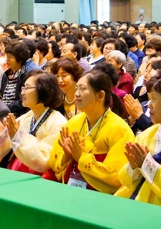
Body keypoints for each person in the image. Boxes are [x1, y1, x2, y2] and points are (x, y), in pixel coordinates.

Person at [49, 70, 135, 193]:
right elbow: (53, 161)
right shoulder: (74, 122)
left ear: (100, 95)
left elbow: (117, 177)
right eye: (77, 88)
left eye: (83, 89)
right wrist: (66, 156)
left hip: (100, 197)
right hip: (68, 189)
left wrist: (81, 157)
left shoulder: (119, 129)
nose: (77, 94)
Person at [0, 70, 66, 175]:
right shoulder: (25, 118)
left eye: (27, 88)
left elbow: (44, 162)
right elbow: (3, 157)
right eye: (23, 87)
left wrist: (19, 136)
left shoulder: (58, 123)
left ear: (43, 90)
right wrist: (3, 137)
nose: (22, 92)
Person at [116, 76, 161, 205]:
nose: (149, 105)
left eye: (154, 99)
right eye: (149, 98)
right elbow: (124, 179)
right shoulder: (147, 134)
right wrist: (134, 166)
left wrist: (145, 164)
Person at [0, 40, 31, 117]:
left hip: (19, 116)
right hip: (4, 114)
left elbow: (23, 100)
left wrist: (5, 107)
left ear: (20, 59)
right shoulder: (6, 74)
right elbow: (2, 94)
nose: (7, 60)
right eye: (7, 56)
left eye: (10, 57)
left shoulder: (26, 76)